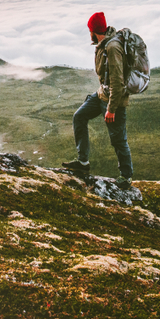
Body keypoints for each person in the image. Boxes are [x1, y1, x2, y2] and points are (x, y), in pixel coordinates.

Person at [62, 11, 134, 187]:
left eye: (90, 31)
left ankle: (126, 177)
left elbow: (117, 82)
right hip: (102, 94)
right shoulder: (103, 45)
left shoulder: (112, 48)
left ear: (94, 31)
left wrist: (111, 109)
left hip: (114, 100)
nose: (89, 34)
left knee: (118, 139)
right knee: (79, 116)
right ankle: (83, 162)